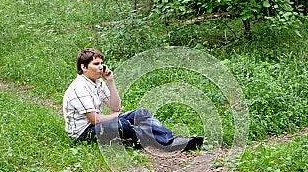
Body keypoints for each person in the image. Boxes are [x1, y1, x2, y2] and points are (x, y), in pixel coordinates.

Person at [63, 48, 203, 152]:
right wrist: (115, 116)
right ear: (83, 67)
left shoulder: (98, 83)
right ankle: (153, 140)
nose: (101, 67)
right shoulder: (79, 88)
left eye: (101, 63)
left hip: (97, 124)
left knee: (140, 113)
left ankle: (171, 140)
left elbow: (115, 107)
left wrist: (110, 81)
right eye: (96, 64)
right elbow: (94, 119)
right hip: (83, 132)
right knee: (121, 124)